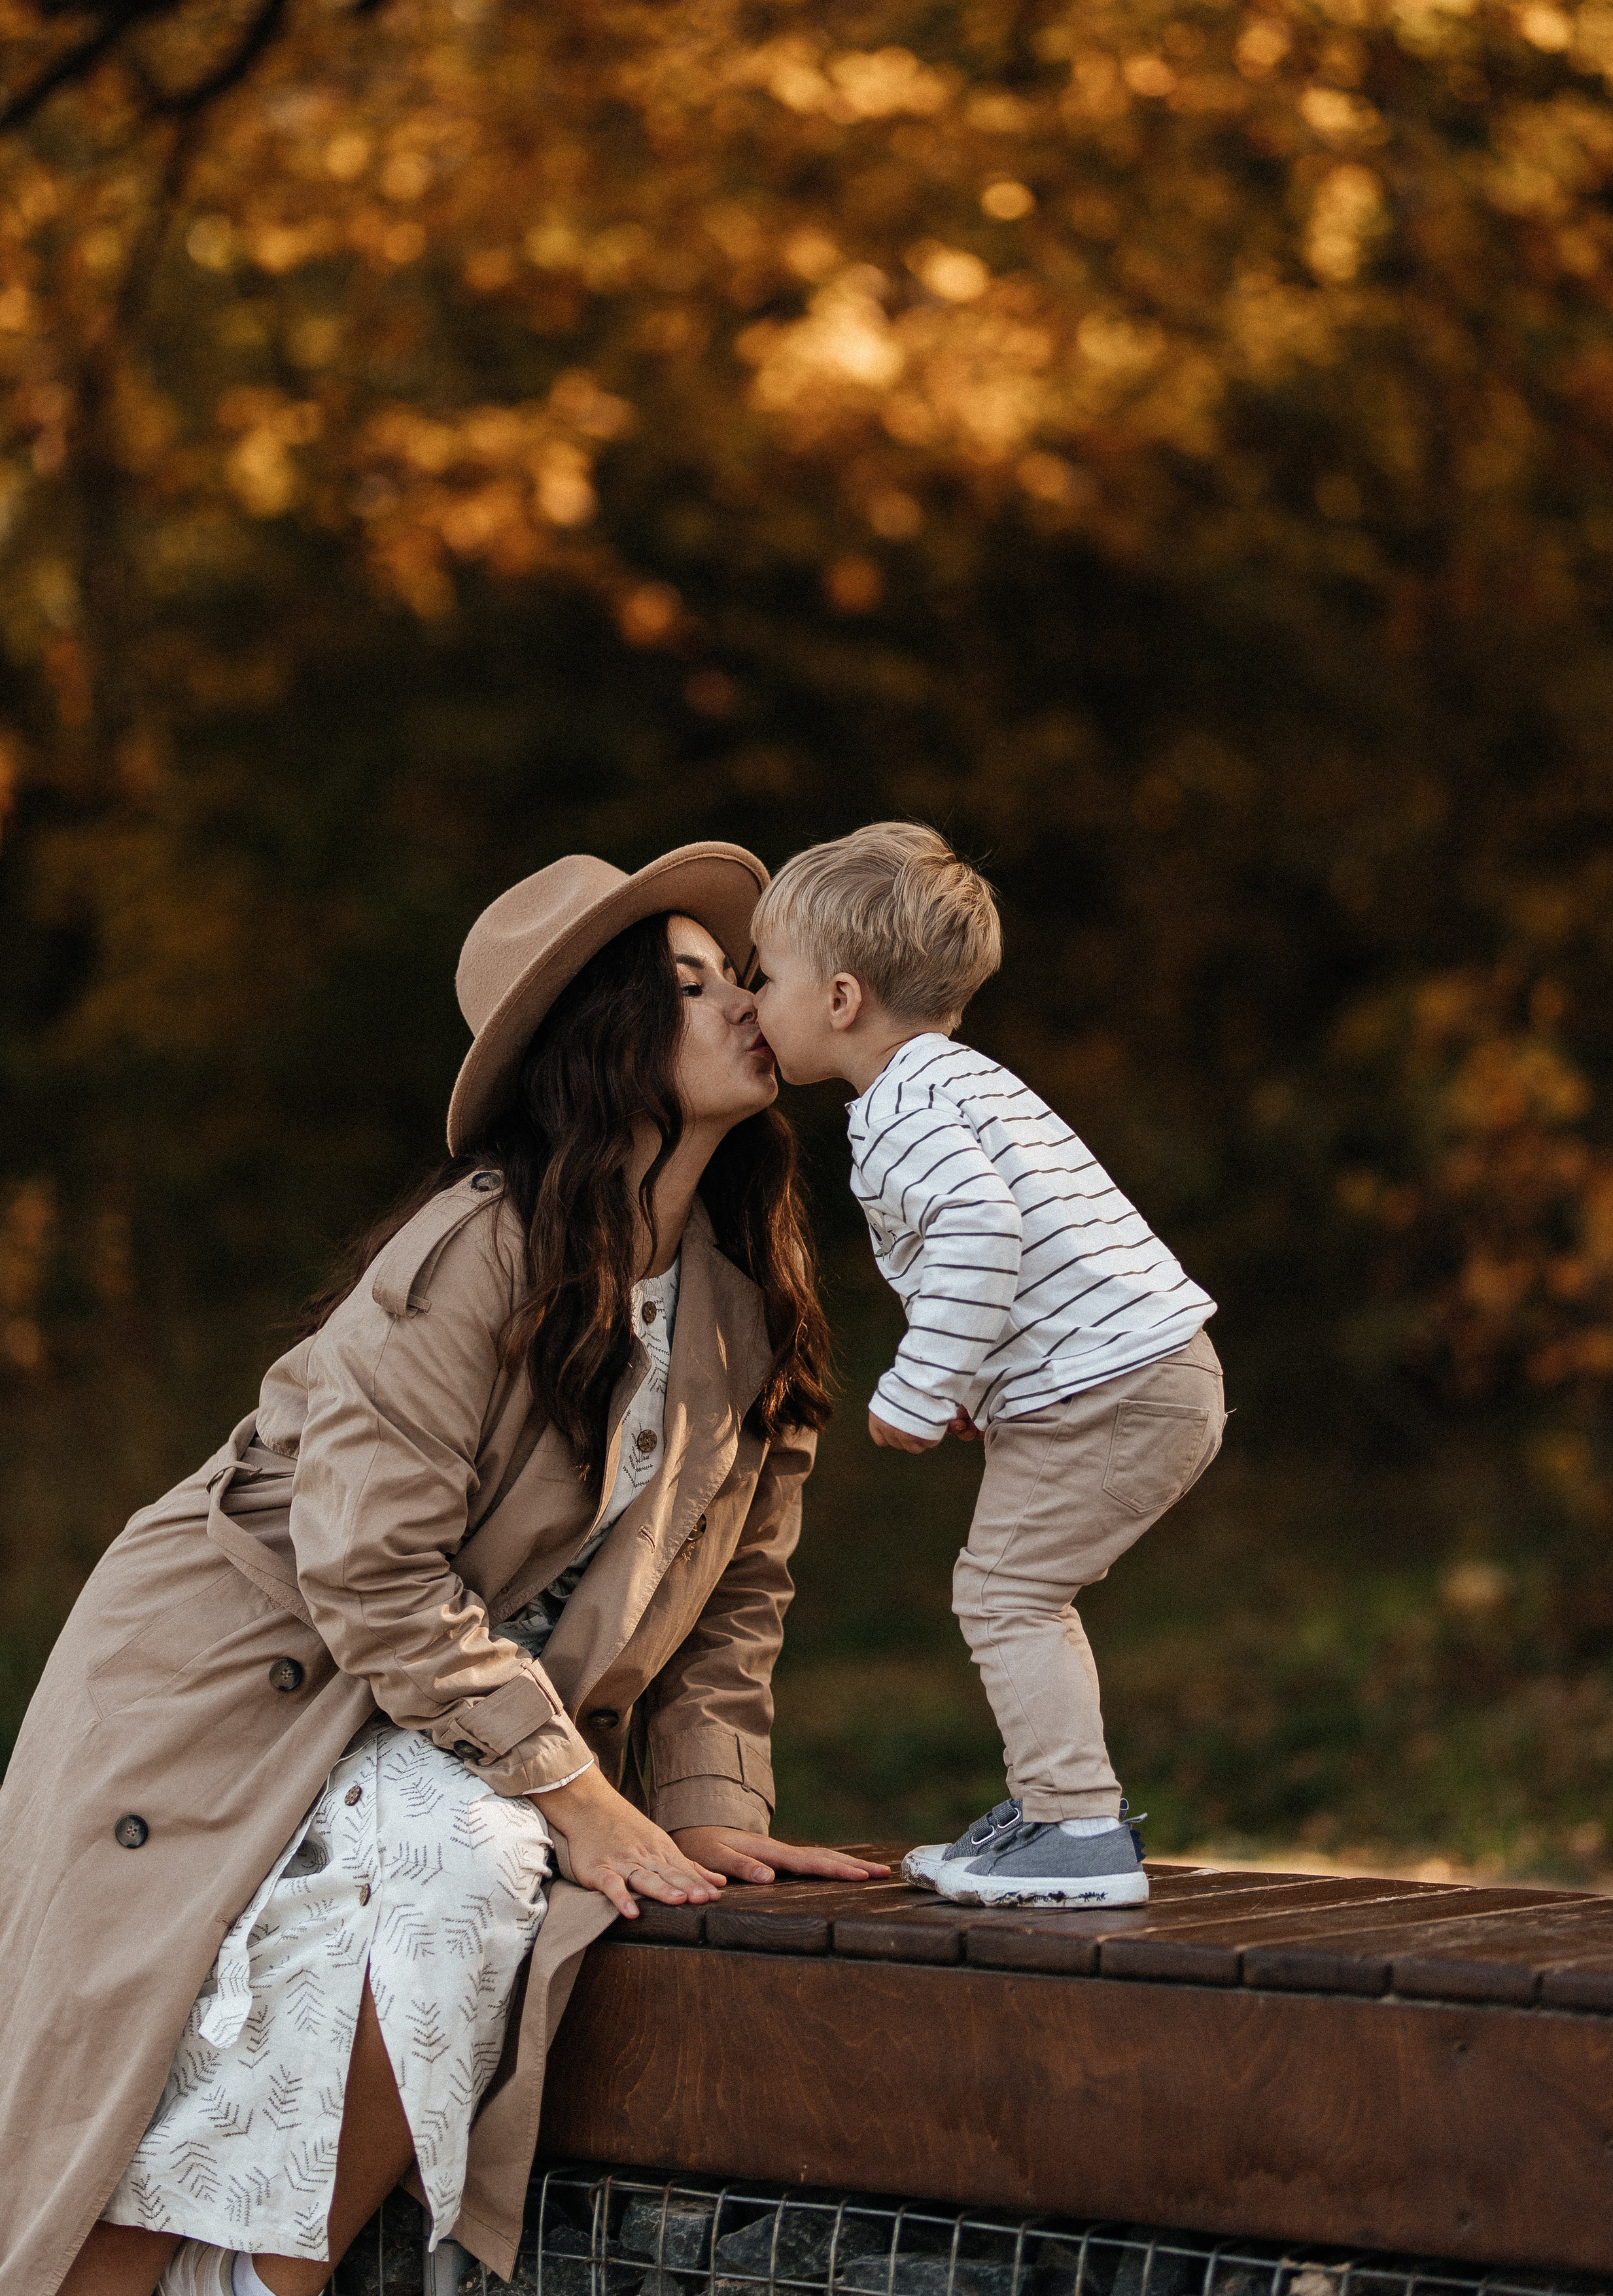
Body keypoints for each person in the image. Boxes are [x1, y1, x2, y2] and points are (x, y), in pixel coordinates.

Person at [0, 840, 885, 2296]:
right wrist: (581, 1795)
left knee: (464, 1862)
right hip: (241, 1685)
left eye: (737, 974)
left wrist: (705, 1809)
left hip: (443, 1717)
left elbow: (735, 1601)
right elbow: (370, 1575)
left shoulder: (747, 1305)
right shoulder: (474, 1252)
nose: (742, 999)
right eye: (688, 983)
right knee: (260, 1964)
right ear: (599, 1040)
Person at [750, 822, 1224, 1913]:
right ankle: (1056, 1810)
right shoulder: (960, 1082)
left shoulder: (900, 1111)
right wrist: (979, 1379)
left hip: (1114, 1386)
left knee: (1007, 1593)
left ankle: (1076, 1829)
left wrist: (921, 1386)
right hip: (1144, 1369)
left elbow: (981, 1233)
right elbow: (1024, 1252)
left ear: (840, 999)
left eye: (766, 977)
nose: (752, 1000)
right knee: (1019, 1591)